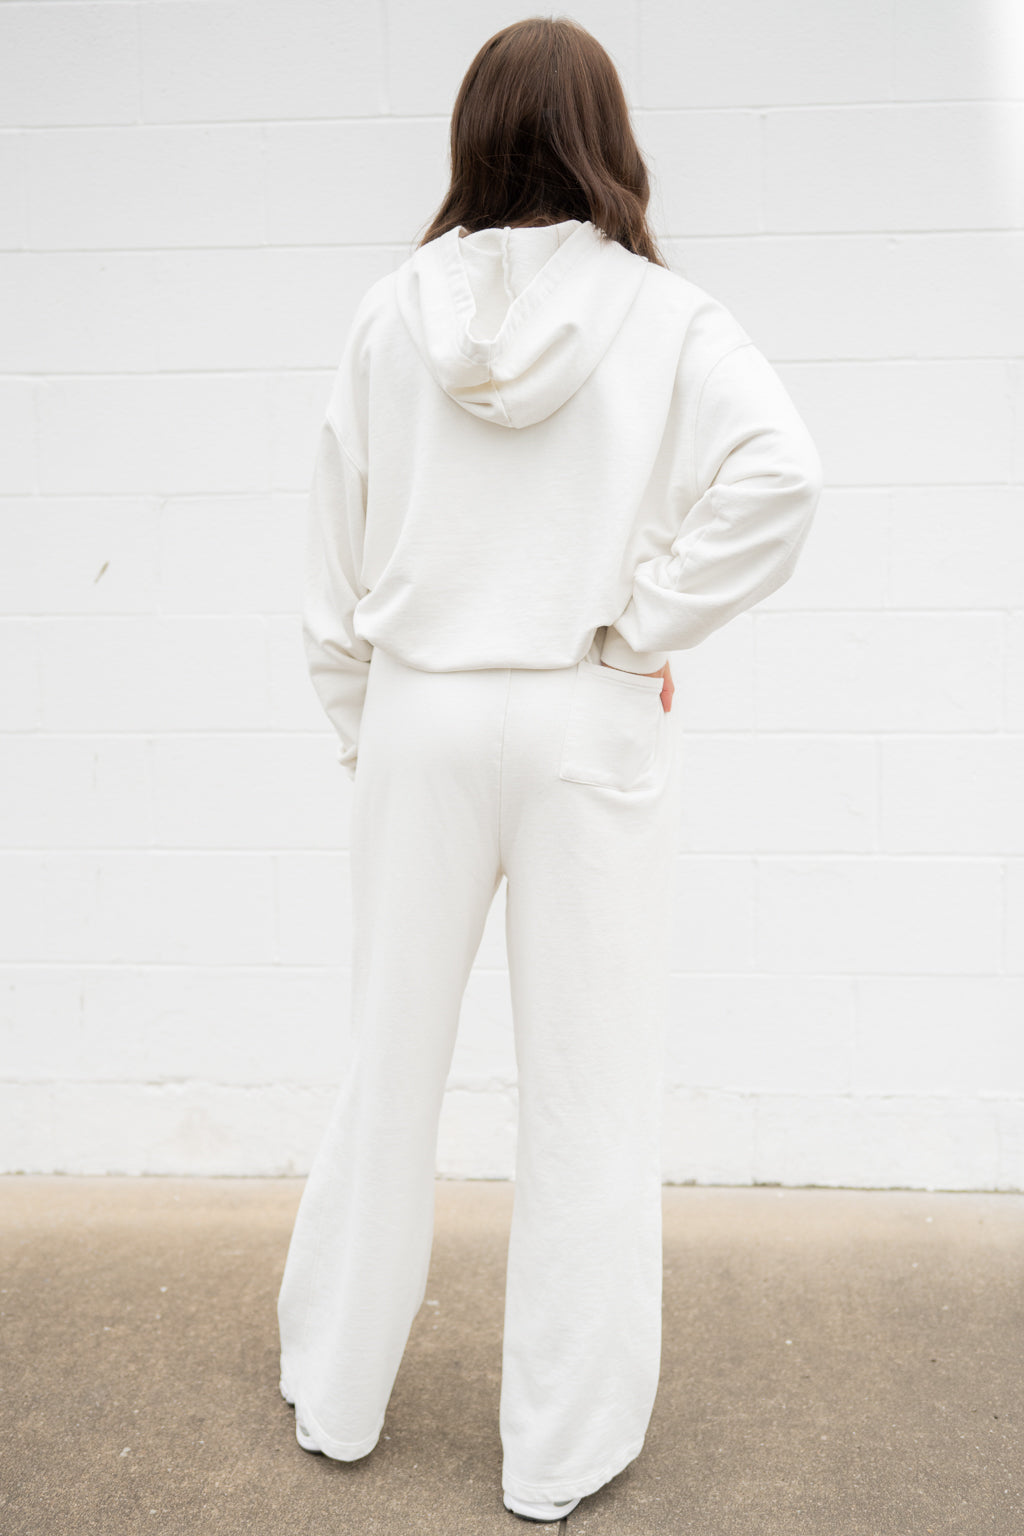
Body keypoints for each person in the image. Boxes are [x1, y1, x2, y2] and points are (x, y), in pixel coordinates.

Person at [276, 14, 823, 1525]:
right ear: (607, 140)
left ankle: (336, 1389)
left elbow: (332, 556)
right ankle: (561, 1451)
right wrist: (637, 622)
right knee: (590, 1086)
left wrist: (367, 721)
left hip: (423, 712)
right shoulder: (667, 315)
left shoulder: (392, 314)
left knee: (390, 1060)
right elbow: (784, 474)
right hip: (587, 721)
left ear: (472, 137)